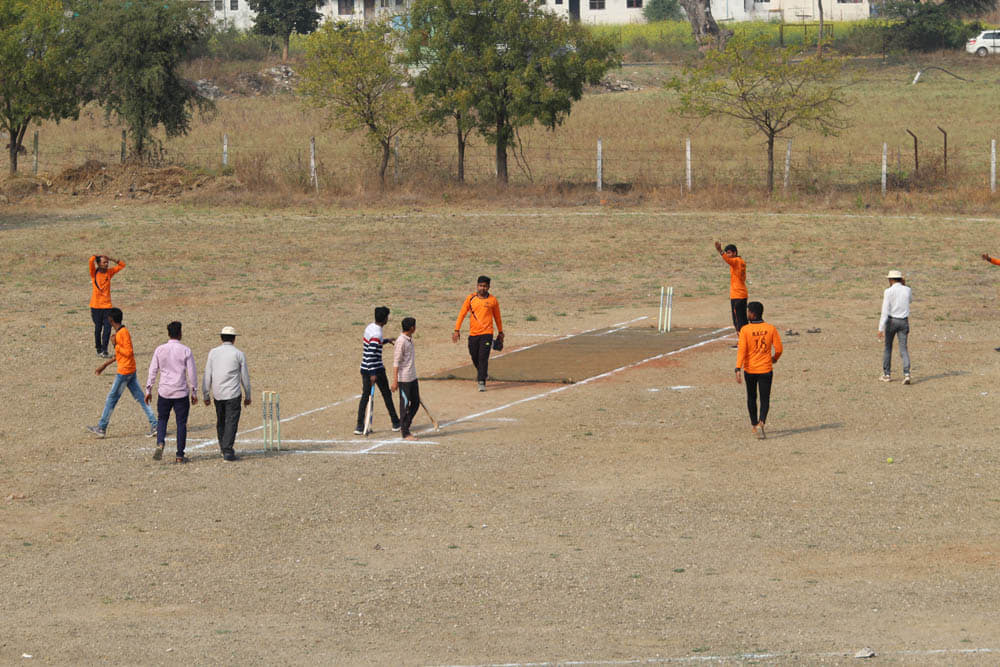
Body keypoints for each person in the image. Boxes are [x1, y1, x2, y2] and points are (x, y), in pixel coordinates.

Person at [85, 307, 157, 439]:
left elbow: (128, 352)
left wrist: (115, 345)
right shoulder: (122, 332)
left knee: (111, 399)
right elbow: (121, 354)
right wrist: (105, 365)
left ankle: (101, 427)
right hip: (130, 370)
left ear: (111, 320)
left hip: (124, 372)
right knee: (141, 398)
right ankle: (154, 424)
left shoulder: (121, 334)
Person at [145, 321, 198, 463]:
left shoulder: (160, 350)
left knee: (162, 419)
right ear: (180, 333)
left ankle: (160, 442)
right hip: (180, 392)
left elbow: (153, 370)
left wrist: (148, 389)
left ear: (168, 334)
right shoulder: (186, 350)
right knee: (181, 423)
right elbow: (192, 373)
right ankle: (180, 455)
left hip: (164, 391)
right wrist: (194, 392)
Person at [202, 326, 252, 462]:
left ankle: (223, 447)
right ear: (234, 339)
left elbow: (208, 374)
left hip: (218, 393)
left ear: (221, 338)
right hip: (233, 393)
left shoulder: (213, 353)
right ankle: (227, 450)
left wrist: (206, 394)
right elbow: (245, 377)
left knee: (221, 421)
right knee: (231, 421)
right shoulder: (238, 354)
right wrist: (248, 395)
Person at [735, 301, 782, 439]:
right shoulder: (770, 328)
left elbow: (742, 351)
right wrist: (774, 358)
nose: (747, 313)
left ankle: (754, 424)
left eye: (748, 311)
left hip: (750, 370)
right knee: (765, 398)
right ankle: (762, 420)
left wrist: (738, 368)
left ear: (753, 314)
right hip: (766, 369)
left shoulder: (745, 330)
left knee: (751, 397)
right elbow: (779, 349)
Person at [452, 275, 504, 392]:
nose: (482, 288)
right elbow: (462, 314)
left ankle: (481, 381)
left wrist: (500, 332)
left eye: (485, 286)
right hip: (474, 334)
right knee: (474, 355)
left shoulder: (492, 300)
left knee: (483, 357)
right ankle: (483, 373)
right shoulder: (471, 298)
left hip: (487, 333)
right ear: (477, 286)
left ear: (489, 287)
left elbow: (497, 317)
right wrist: (457, 330)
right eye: (480, 286)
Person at [355, 306, 401, 435]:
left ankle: (359, 425)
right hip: (375, 369)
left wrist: (386, 341)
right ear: (384, 319)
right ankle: (396, 422)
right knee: (386, 394)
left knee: (365, 396)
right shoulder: (377, 333)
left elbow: (372, 344)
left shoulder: (370, 328)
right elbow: (371, 353)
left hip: (365, 367)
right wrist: (373, 373)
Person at [878, 269, 912, 384]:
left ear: (891, 280)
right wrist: (905, 285)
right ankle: (907, 374)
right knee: (903, 348)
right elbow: (910, 301)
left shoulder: (888, 291)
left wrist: (880, 327)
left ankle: (887, 374)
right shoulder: (907, 290)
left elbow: (885, 310)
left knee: (888, 347)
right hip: (904, 321)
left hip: (892, 321)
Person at [89, 253, 125, 358]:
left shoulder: (109, 273)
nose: (106, 264)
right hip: (96, 306)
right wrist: (96, 256)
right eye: (104, 262)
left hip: (107, 307)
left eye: (107, 262)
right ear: (99, 264)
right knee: (98, 328)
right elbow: (91, 261)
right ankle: (98, 348)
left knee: (108, 328)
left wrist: (112, 258)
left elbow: (122, 265)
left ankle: (105, 350)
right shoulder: (93, 273)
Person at [390, 317, 419, 441]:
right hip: (404, 379)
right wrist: (395, 381)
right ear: (412, 328)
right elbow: (396, 362)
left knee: (416, 403)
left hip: (412, 376)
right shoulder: (401, 341)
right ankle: (405, 431)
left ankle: (405, 425)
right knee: (405, 406)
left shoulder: (409, 339)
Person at [714, 241, 748, 336]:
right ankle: (746, 340)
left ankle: (742, 342)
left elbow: (729, 261)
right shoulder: (741, 262)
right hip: (742, 294)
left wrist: (720, 251)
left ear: (735, 253)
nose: (727, 255)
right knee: (743, 319)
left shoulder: (736, 261)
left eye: (729, 253)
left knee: (738, 321)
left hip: (737, 295)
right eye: (726, 252)